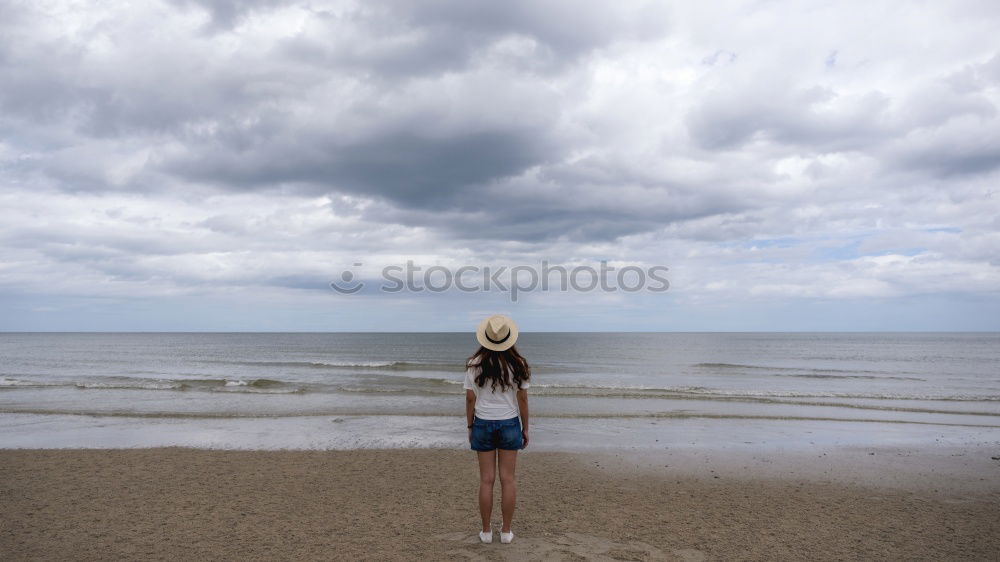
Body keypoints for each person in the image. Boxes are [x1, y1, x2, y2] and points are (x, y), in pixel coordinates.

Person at [464, 314, 530, 545]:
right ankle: (506, 532)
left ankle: (485, 532)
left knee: (486, 480)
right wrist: (525, 428)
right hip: (510, 423)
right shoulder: (518, 364)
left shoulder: (474, 364)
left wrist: (470, 425)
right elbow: (522, 400)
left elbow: (470, 399)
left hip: (482, 422)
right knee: (508, 479)